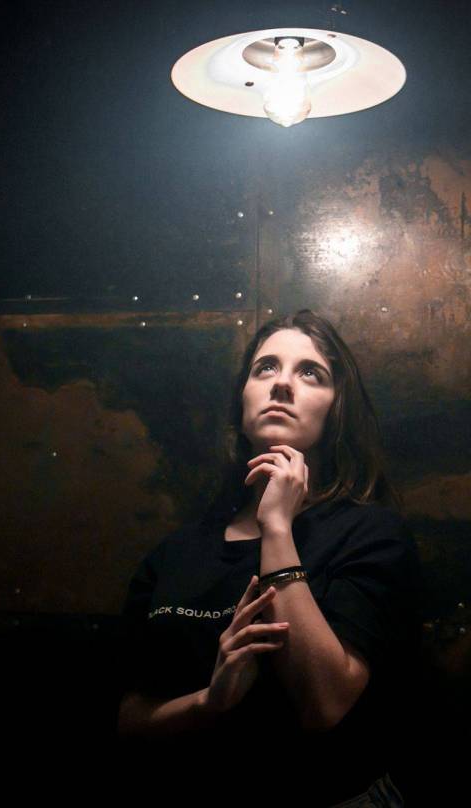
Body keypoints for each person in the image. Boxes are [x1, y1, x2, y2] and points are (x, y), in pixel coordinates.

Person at [113, 310, 425, 807]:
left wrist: (276, 525)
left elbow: (324, 705)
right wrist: (209, 703)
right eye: (266, 368)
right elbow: (128, 719)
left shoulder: (371, 535)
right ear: (243, 401)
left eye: (310, 373)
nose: (281, 383)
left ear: (336, 410)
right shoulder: (176, 553)